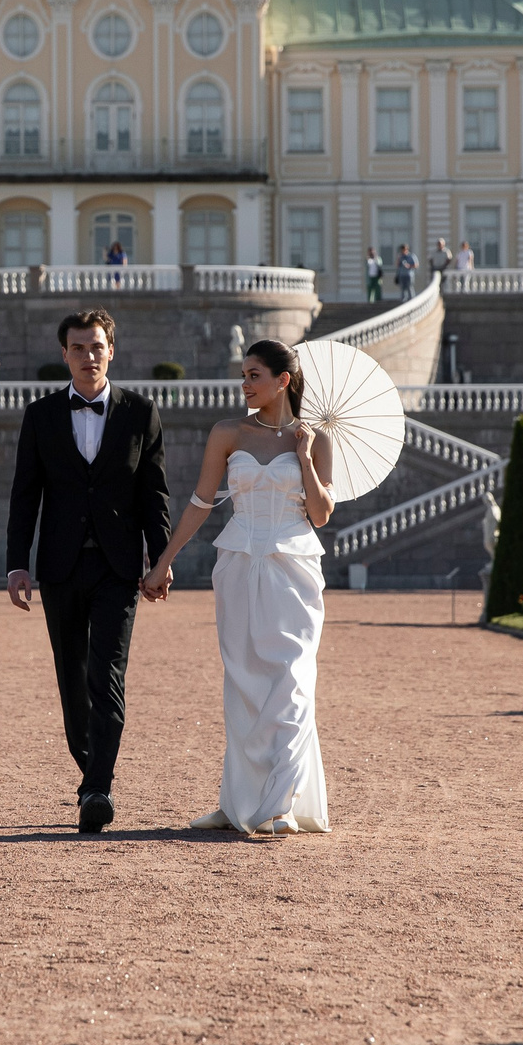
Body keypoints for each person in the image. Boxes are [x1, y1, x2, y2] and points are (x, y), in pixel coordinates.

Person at [143, 339, 335, 836]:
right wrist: (164, 561)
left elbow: (320, 514)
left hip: (293, 569)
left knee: (292, 678)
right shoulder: (226, 432)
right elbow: (201, 503)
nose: (245, 384)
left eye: (254, 375)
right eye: (244, 375)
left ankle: (282, 803)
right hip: (236, 566)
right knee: (244, 681)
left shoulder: (316, 438)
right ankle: (238, 801)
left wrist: (306, 457)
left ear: (282, 381)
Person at [6, 310, 172, 834]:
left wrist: (161, 560)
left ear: (111, 350)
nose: (88, 355)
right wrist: (17, 563)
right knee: (71, 679)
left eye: (96, 346)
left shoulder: (141, 412)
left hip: (118, 568)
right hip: (59, 567)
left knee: (107, 677)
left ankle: (99, 787)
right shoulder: (41, 415)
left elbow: (155, 496)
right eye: (78, 347)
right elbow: (24, 496)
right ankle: (90, 772)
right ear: (65, 354)